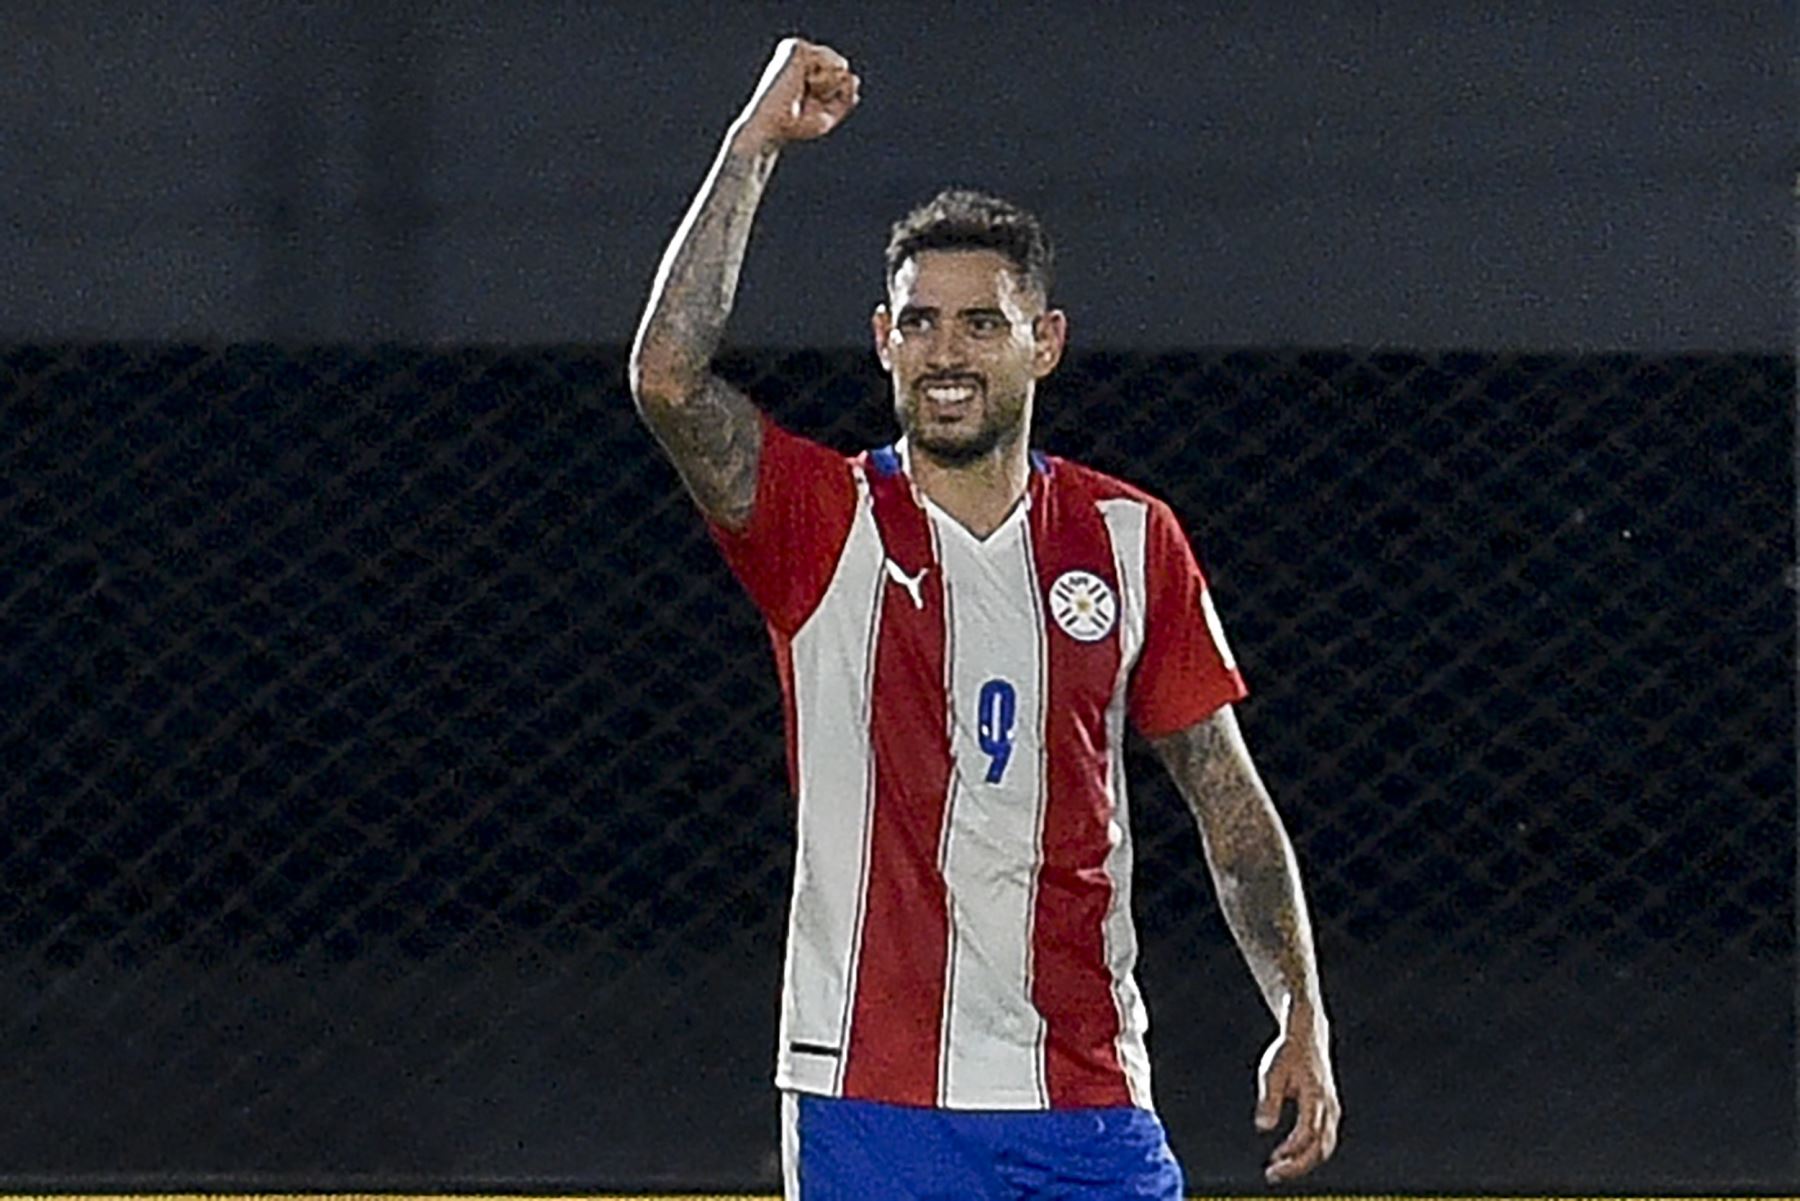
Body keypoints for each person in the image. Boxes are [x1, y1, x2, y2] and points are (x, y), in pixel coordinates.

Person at [628, 37, 1341, 1200]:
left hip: (1085, 1097)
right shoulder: (823, 522)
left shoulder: (1127, 538)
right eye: (920, 324)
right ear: (882, 340)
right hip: (871, 1095)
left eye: (979, 324)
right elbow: (664, 379)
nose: (945, 352)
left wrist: (1299, 1009)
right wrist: (752, 144)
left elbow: (1228, 803)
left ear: (1043, 343)